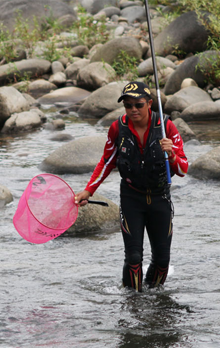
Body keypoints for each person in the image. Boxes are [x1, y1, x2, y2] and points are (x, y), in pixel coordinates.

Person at [74, 81, 188, 292]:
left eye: (138, 104)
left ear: (150, 104)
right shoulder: (118, 128)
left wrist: (171, 154)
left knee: (162, 260)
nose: (133, 110)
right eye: (128, 105)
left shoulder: (166, 127)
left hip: (159, 198)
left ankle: (155, 298)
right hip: (131, 198)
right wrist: (89, 190)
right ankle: (132, 302)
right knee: (134, 258)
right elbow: (106, 161)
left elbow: (183, 169)